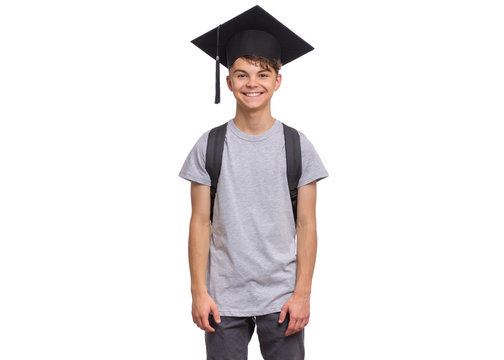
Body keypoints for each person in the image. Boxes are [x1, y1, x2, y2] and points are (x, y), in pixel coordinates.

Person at [179, 6, 329, 360]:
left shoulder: (297, 145)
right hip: (222, 299)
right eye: (241, 74)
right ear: (229, 81)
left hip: (282, 299)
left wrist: (303, 294)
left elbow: (307, 224)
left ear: (277, 80)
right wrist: (198, 292)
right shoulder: (209, 145)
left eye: (263, 74)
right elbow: (200, 222)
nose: (252, 84)